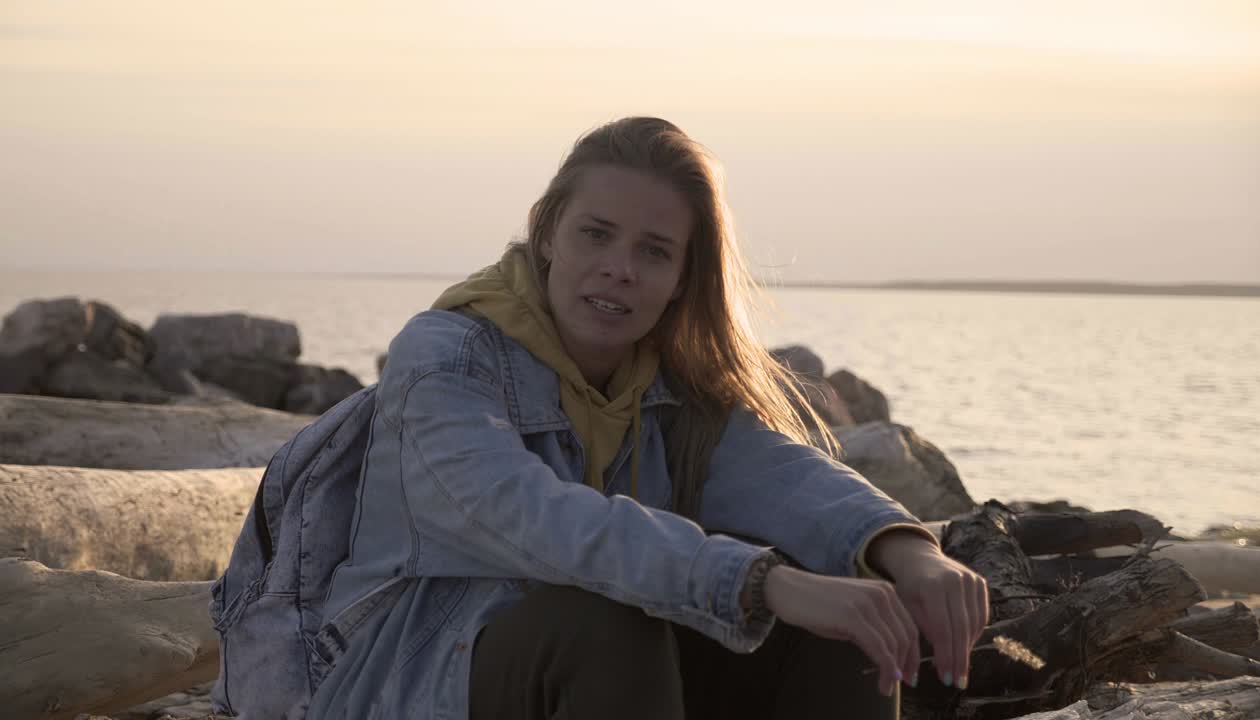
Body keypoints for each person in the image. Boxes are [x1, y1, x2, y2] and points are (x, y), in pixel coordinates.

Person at [306, 117, 988, 720]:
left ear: (684, 276)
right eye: (596, 235)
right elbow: (539, 519)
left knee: (846, 616)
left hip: (601, 678)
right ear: (547, 233)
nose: (619, 269)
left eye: (654, 251)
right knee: (603, 624)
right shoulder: (445, 358)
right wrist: (761, 582)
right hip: (413, 681)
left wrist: (906, 549)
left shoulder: (661, 380)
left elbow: (780, 471)